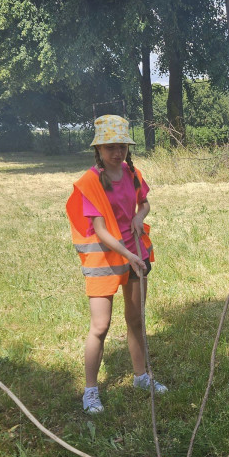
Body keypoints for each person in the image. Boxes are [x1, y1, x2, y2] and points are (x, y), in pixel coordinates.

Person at [66, 115, 167, 413]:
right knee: (100, 325)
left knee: (136, 319)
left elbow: (144, 202)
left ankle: (140, 376)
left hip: (135, 252)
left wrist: (140, 215)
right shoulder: (91, 182)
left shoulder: (132, 173)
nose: (117, 152)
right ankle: (91, 391)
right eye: (110, 146)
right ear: (98, 149)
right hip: (106, 258)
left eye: (121, 146)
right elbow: (99, 229)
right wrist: (128, 255)